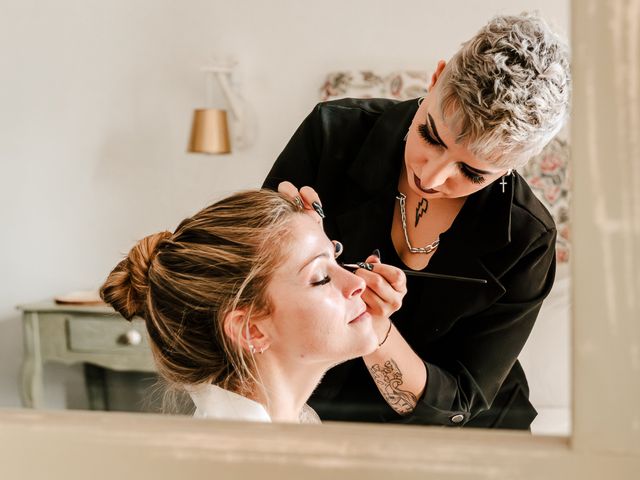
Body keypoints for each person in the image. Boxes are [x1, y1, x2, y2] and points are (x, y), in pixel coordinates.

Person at [263, 12, 571, 429]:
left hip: (467, 436)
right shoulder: (332, 134)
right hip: (318, 404)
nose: (432, 177)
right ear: (436, 78)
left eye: (472, 173)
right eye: (430, 136)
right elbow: (253, 291)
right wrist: (272, 240)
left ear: (516, 165)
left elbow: (463, 398)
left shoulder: (527, 239)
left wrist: (376, 331)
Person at [100, 190, 388, 423]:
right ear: (251, 329)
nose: (356, 282)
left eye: (336, 256)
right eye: (321, 278)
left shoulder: (290, 427)